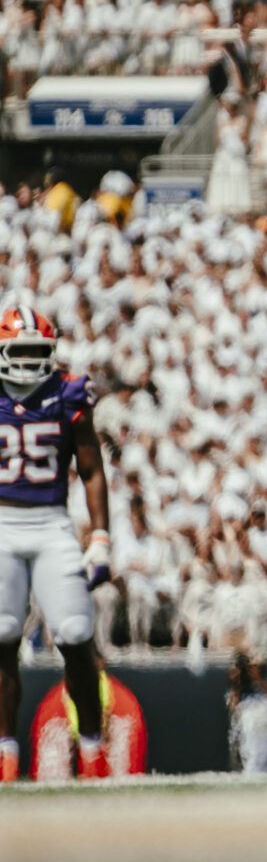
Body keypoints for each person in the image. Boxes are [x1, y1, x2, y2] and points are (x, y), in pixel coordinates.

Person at [0, 306, 113, 783]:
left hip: (51, 523)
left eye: (37, 351)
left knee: (76, 633)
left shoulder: (68, 392)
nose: (29, 360)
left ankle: (92, 751)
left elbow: (90, 468)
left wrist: (101, 535)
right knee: (2, 636)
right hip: (2, 524)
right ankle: (5, 756)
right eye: (20, 350)